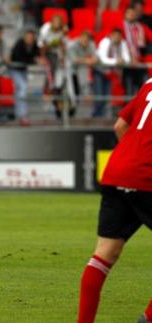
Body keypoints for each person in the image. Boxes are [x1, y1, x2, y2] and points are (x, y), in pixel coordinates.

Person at [77, 76, 152, 322]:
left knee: (104, 253)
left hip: (117, 170)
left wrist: (134, 157)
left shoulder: (149, 83)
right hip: (147, 177)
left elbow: (120, 126)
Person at [93, 28, 130, 118]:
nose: (117, 38)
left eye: (119, 36)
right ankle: (97, 116)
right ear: (111, 35)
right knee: (99, 94)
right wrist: (117, 61)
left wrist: (123, 60)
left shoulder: (123, 43)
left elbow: (127, 59)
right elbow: (103, 59)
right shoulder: (105, 42)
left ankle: (104, 116)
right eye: (115, 36)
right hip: (100, 71)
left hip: (112, 73)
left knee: (108, 95)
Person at [9, 30, 41, 126]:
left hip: (24, 70)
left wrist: (36, 59)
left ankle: (19, 115)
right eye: (28, 37)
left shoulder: (34, 46)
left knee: (20, 91)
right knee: (22, 88)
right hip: (14, 69)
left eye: (32, 38)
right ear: (25, 37)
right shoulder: (19, 44)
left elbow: (36, 56)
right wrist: (33, 60)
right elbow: (18, 58)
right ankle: (22, 115)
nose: (30, 39)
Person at [65, 31, 98, 116]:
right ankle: (67, 115)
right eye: (84, 39)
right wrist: (87, 61)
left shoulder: (91, 44)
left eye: (87, 40)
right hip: (68, 70)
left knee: (79, 92)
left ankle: (72, 114)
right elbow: (74, 60)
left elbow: (96, 58)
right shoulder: (72, 45)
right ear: (80, 38)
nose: (85, 42)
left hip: (80, 69)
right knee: (71, 92)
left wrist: (88, 61)